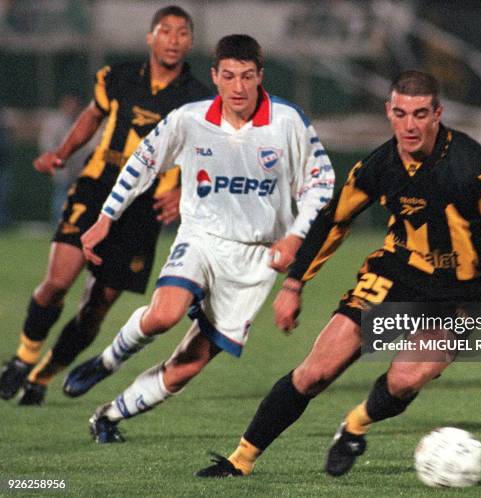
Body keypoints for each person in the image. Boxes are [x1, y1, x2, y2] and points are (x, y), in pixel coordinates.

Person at [196, 70, 481, 478]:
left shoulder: (472, 168)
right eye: (400, 114)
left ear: (438, 114)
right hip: (394, 278)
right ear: (388, 112)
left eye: (419, 114)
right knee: (314, 373)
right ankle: (240, 460)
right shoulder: (381, 164)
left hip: (459, 296)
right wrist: (294, 283)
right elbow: (333, 220)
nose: (409, 126)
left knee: (405, 379)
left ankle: (355, 425)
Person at [63, 34, 334, 444]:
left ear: (261, 76)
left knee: (187, 365)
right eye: (228, 76)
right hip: (202, 236)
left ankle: (109, 415)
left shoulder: (287, 121)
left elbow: (323, 182)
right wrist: (105, 218)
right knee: (165, 314)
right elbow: (142, 163)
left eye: (247, 76)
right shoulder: (189, 118)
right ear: (215, 77)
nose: (238, 87)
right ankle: (108, 359)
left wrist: (295, 237)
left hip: (255, 259)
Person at [0, 5, 209, 406]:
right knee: (58, 282)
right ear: (151, 37)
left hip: (144, 208)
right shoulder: (118, 77)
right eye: (166, 31)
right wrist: (62, 152)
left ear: (191, 42)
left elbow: (208, 153)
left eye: (182, 33)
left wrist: (183, 190)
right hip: (97, 188)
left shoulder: (199, 99)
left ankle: (42, 376)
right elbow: (92, 116)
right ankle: (23, 358)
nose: (174, 39)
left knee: (96, 308)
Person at [38, 95, 92, 224]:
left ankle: (72, 223)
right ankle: (58, 223)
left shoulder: (79, 121)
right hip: (62, 167)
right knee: (61, 195)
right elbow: (47, 143)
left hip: (77, 168)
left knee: (76, 197)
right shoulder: (55, 123)